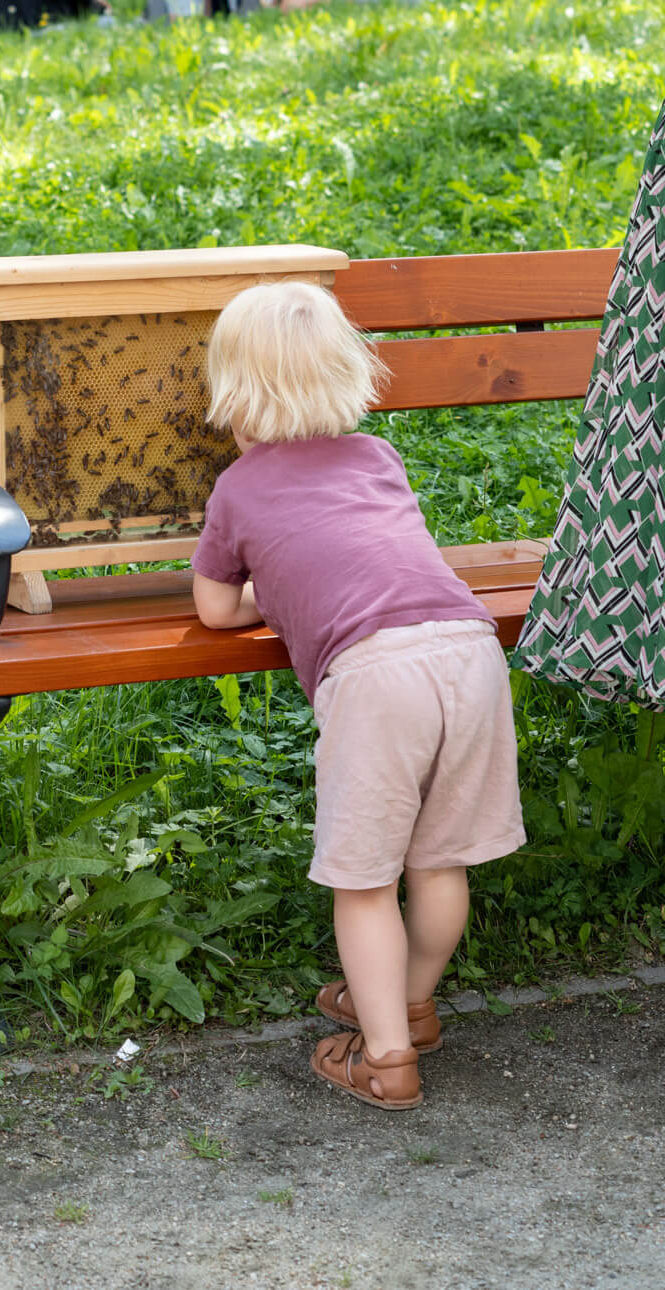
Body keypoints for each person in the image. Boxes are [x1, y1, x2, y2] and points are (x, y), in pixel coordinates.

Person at [191, 282, 525, 1111]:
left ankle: (384, 1058)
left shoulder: (238, 487)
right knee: (438, 860)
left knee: (365, 880)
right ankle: (410, 1005)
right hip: (468, 648)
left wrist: (277, 585)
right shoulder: (378, 457)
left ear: (233, 390)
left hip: (377, 677)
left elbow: (215, 609)